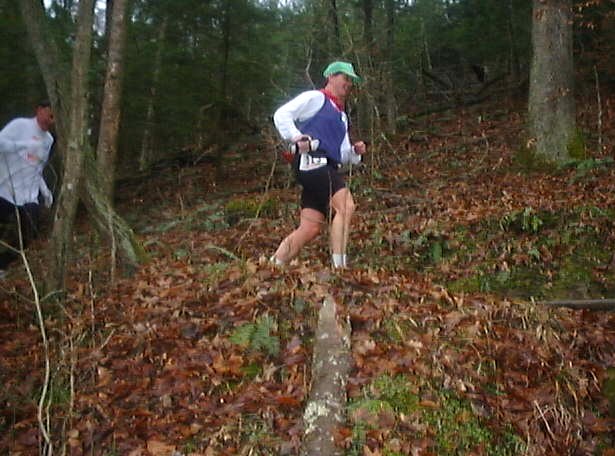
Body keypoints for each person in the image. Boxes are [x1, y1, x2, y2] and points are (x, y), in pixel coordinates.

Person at [271, 61, 367, 269]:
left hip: (324, 166)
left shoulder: (342, 116)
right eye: (345, 78)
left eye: (351, 80)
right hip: (312, 162)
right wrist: (296, 136)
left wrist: (355, 152)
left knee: (310, 227)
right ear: (331, 77)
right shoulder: (316, 98)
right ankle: (340, 268)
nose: (349, 84)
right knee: (346, 206)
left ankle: (273, 265)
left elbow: (342, 154)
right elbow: (282, 115)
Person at [0, 100, 55, 276]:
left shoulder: (48, 140)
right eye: (49, 115)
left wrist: (45, 191)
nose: (50, 121)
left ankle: (2, 265)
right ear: (39, 110)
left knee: (29, 232)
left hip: (28, 194)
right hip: (5, 188)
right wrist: (23, 145)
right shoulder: (20, 125)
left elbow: (38, 167)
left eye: (54, 118)